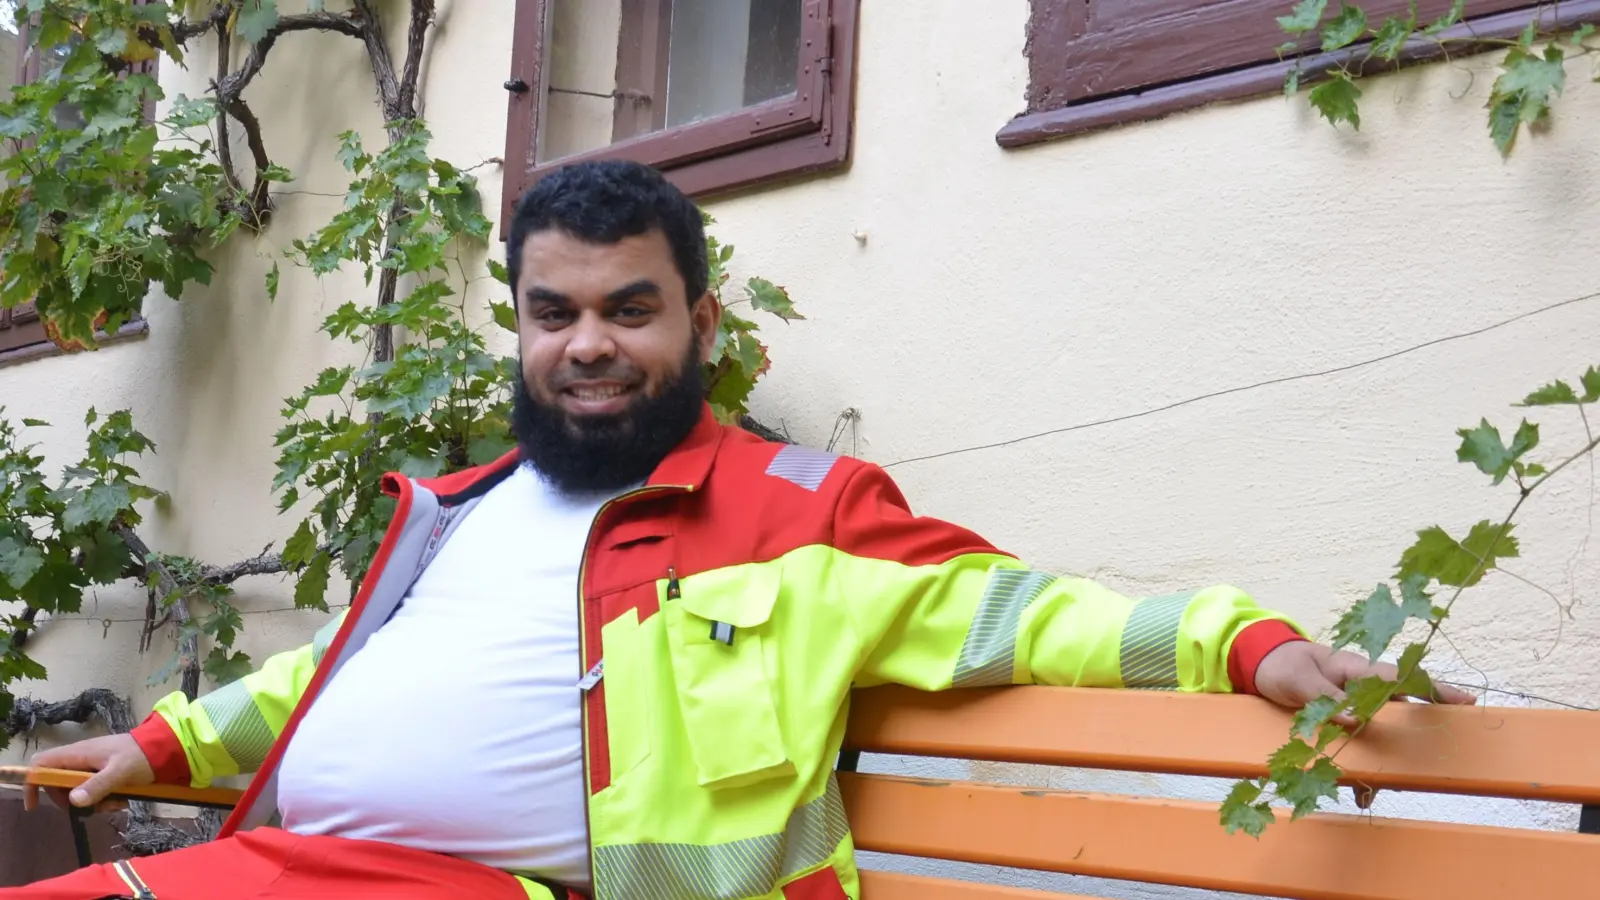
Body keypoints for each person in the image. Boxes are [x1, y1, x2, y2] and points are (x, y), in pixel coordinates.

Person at [6, 160, 1473, 900]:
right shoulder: (463, 509)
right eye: (554, 312)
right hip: (305, 869)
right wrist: (169, 744)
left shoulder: (796, 515)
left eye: (629, 310)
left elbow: (1022, 611)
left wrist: (1246, 644)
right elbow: (333, 671)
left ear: (699, 323)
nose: (588, 344)